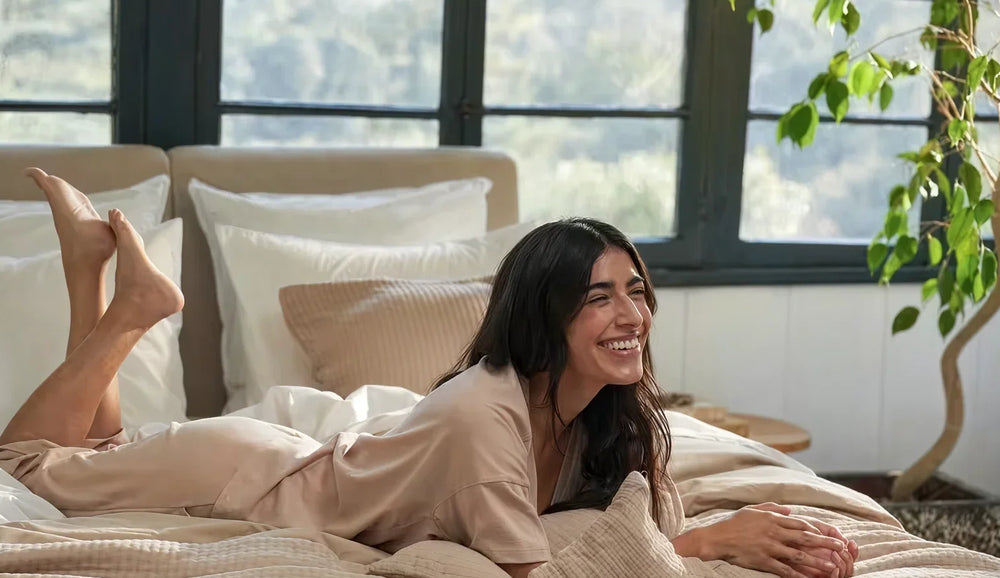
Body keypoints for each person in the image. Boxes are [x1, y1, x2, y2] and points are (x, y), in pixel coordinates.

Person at [0, 169, 858, 578]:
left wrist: (699, 528)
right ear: (545, 315)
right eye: (598, 298)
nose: (631, 314)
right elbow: (536, 575)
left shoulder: (609, 410)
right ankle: (136, 309)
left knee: (100, 445)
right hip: (243, 483)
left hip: (301, 456)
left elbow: (642, 515)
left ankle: (89, 269)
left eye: (636, 289)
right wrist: (708, 543)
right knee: (27, 465)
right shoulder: (484, 413)